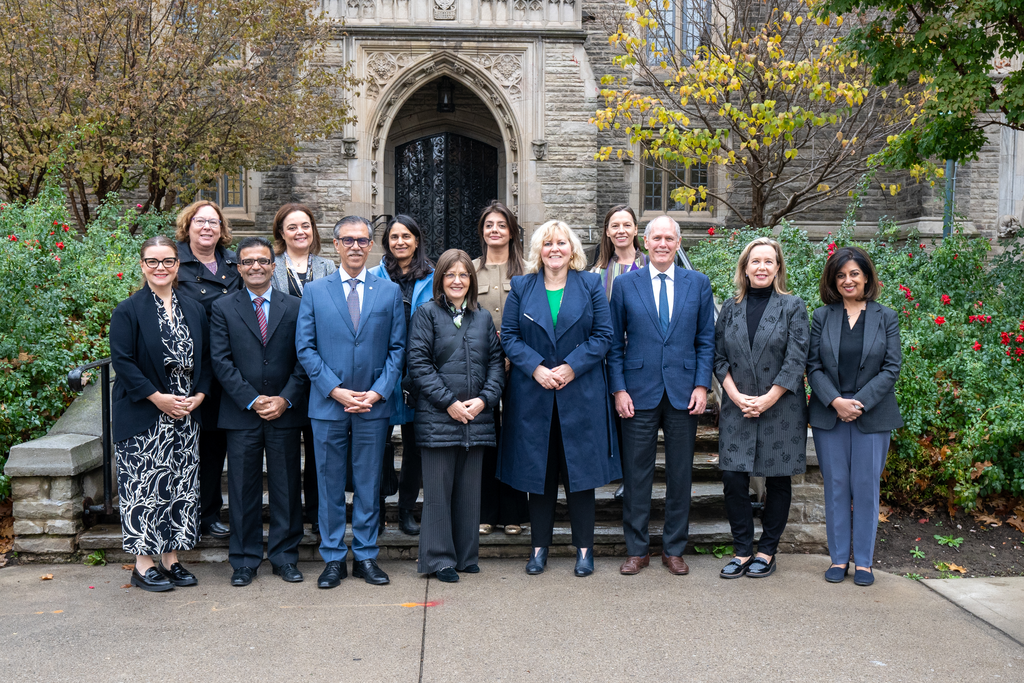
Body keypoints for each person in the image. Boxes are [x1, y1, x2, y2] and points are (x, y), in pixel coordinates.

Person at [500, 219, 619, 577]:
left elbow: (603, 336)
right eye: (548, 243)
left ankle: (585, 550)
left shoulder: (591, 284)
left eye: (561, 244)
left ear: (573, 250)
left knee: (579, 477)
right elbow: (508, 336)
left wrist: (571, 367)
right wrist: (536, 367)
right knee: (540, 475)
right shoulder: (522, 286)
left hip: (579, 394)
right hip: (533, 395)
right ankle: (539, 549)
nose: (555, 249)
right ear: (539, 250)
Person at [295, 215, 406, 588]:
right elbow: (305, 348)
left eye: (362, 240)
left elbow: (397, 349)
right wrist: (334, 389)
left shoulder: (388, 292)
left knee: (368, 483)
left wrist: (377, 392)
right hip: (328, 406)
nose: (356, 246)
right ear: (335, 244)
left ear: (371, 245)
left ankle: (366, 556)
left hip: (373, 407)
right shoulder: (315, 291)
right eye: (348, 240)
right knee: (327, 485)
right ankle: (332, 558)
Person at [607, 216, 715, 577]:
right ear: (645, 242)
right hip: (637, 393)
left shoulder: (697, 283)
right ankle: (637, 550)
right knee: (637, 475)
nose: (664, 244)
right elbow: (613, 344)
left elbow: (705, 340)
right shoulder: (625, 285)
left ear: (679, 242)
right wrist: (619, 388)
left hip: (685, 392)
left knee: (681, 474)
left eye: (670, 238)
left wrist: (702, 385)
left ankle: (674, 548)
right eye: (657, 238)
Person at [109, 236, 211, 592]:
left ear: (177, 265)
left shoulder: (194, 308)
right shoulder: (129, 310)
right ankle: (143, 564)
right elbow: (123, 363)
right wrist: (158, 399)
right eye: (152, 262)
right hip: (144, 413)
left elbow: (207, 360)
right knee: (144, 489)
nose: (160, 268)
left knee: (179, 488)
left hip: (185, 414)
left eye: (167, 261)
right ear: (142, 266)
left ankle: (171, 560)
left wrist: (198, 396)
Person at [210, 236, 309, 587]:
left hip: (284, 411)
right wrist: (252, 399)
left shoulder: (295, 306)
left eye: (262, 261)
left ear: (273, 265)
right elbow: (220, 361)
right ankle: (244, 560)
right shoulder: (223, 308)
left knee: (285, 488)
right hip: (241, 414)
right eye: (248, 261)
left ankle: (284, 556)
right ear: (239, 267)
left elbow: (304, 358)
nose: (255, 267)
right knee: (241, 490)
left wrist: (285, 398)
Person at [713, 237, 809, 579]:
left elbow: (797, 358)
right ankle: (742, 550)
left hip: (781, 407)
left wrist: (768, 399)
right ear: (745, 267)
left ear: (778, 267)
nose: (762, 267)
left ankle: (767, 551)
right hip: (738, 404)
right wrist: (737, 398)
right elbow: (718, 357)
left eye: (769, 262)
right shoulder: (730, 308)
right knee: (733, 478)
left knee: (778, 480)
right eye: (756, 262)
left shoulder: (793, 306)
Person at [407, 249, 505, 582]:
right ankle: (439, 560)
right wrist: (449, 402)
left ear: (472, 281)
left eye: (464, 275)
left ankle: (466, 555)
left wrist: (485, 400)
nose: (457, 281)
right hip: (438, 417)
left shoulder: (481, 318)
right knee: (438, 493)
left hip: (476, 417)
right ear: (440, 280)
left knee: (468, 492)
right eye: (450, 275)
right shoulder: (426, 314)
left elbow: (495, 364)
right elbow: (419, 364)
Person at [807, 246, 902, 587]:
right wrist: (835, 401)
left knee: (865, 488)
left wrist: (857, 403)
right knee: (835, 488)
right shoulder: (822, 316)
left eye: (854, 274)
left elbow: (891, 368)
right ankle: (837, 559)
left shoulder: (885, 317)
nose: (848, 280)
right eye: (841, 275)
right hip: (829, 416)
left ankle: (863, 562)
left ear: (867, 278)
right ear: (834, 280)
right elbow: (812, 366)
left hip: (871, 416)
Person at [174, 200, 243, 540]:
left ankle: (210, 514)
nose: (207, 228)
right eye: (200, 222)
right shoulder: (175, 263)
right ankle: (185, 515)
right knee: (189, 449)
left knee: (215, 448)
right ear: (188, 226)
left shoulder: (233, 262)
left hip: (228, 368)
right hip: (190, 369)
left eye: (213, 223)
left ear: (221, 229)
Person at [269, 203, 337, 534]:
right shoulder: (271, 266)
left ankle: (317, 514)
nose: (300, 232)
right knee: (284, 455)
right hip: (283, 371)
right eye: (293, 227)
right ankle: (289, 519)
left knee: (319, 451)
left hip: (321, 370)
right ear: (281, 233)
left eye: (306, 226)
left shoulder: (327, 267)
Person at [368, 215, 435, 536]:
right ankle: (378, 511)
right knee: (378, 445)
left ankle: (407, 510)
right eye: (394, 237)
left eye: (406, 236)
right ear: (387, 242)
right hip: (381, 372)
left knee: (416, 446)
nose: (400, 242)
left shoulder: (435, 278)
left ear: (417, 240)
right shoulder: (372, 277)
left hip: (420, 373)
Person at [471, 200, 529, 537]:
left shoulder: (527, 271)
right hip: (480, 369)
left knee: (517, 436)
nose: (495, 230)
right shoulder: (470, 269)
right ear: (482, 231)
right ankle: (485, 510)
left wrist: (514, 355)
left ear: (511, 231)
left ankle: (514, 512)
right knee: (486, 437)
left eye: (501, 225)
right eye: (489, 225)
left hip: (521, 366)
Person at [590, 205, 647, 501]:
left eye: (627, 225)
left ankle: (631, 478)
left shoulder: (650, 266)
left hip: (640, 356)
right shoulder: (597, 272)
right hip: (605, 355)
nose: (621, 230)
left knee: (633, 420)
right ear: (608, 232)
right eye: (615, 225)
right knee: (612, 416)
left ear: (636, 230)